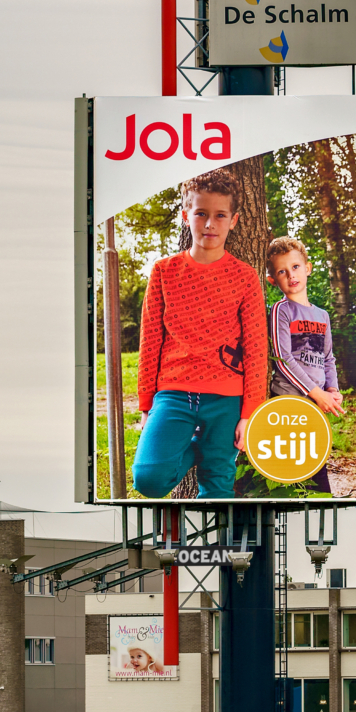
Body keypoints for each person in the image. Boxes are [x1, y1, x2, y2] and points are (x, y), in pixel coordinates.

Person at [130, 170, 269, 499]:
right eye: (201, 213)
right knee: (148, 478)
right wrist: (147, 404)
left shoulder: (245, 276)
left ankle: (216, 534)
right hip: (173, 392)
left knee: (218, 485)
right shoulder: (163, 271)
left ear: (233, 221)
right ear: (186, 216)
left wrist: (249, 413)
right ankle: (198, 450)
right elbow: (150, 340)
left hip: (227, 398)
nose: (210, 224)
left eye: (220, 215)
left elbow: (256, 347)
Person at [265, 236, 343, 416]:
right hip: (289, 398)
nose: (291, 275)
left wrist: (332, 390)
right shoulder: (281, 310)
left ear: (307, 268)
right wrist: (318, 393)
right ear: (273, 280)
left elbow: (328, 358)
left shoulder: (322, 315)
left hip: (317, 401)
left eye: (295, 267)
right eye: (282, 271)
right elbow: (283, 359)